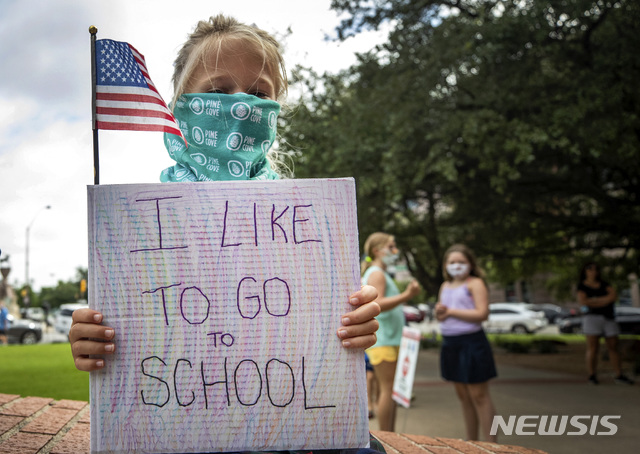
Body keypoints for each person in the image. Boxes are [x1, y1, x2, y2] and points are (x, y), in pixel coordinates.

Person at [70, 14, 384, 453]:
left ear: (276, 111)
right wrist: (92, 337)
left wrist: (355, 321)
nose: (241, 105)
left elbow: (328, 333)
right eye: (218, 91)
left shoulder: (308, 224)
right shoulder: (139, 230)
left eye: (259, 93)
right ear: (179, 106)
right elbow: (123, 335)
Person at [434, 244, 497, 442]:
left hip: (472, 343)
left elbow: (482, 313)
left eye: (461, 262)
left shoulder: (475, 283)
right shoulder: (445, 286)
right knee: (463, 397)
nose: (457, 266)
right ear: (446, 265)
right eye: (452, 262)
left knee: (479, 395)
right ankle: (471, 443)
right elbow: (442, 316)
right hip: (450, 343)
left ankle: (491, 445)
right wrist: (439, 313)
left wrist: (451, 311)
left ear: (470, 264)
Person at [361, 232, 420, 432]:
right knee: (388, 389)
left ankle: (389, 435)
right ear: (377, 250)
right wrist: (407, 295)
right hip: (384, 339)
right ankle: (388, 438)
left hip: (389, 338)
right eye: (391, 246)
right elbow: (377, 304)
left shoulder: (379, 272)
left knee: (389, 389)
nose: (395, 250)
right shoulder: (376, 273)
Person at [577, 262, 634, 385]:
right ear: (585, 271)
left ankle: (619, 374)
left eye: (595, 269)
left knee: (613, 346)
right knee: (593, 347)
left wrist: (595, 300)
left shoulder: (604, 284)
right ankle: (592, 375)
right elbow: (584, 302)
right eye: (590, 269)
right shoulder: (582, 286)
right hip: (592, 318)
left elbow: (613, 297)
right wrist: (603, 300)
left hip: (608, 318)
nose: (593, 272)